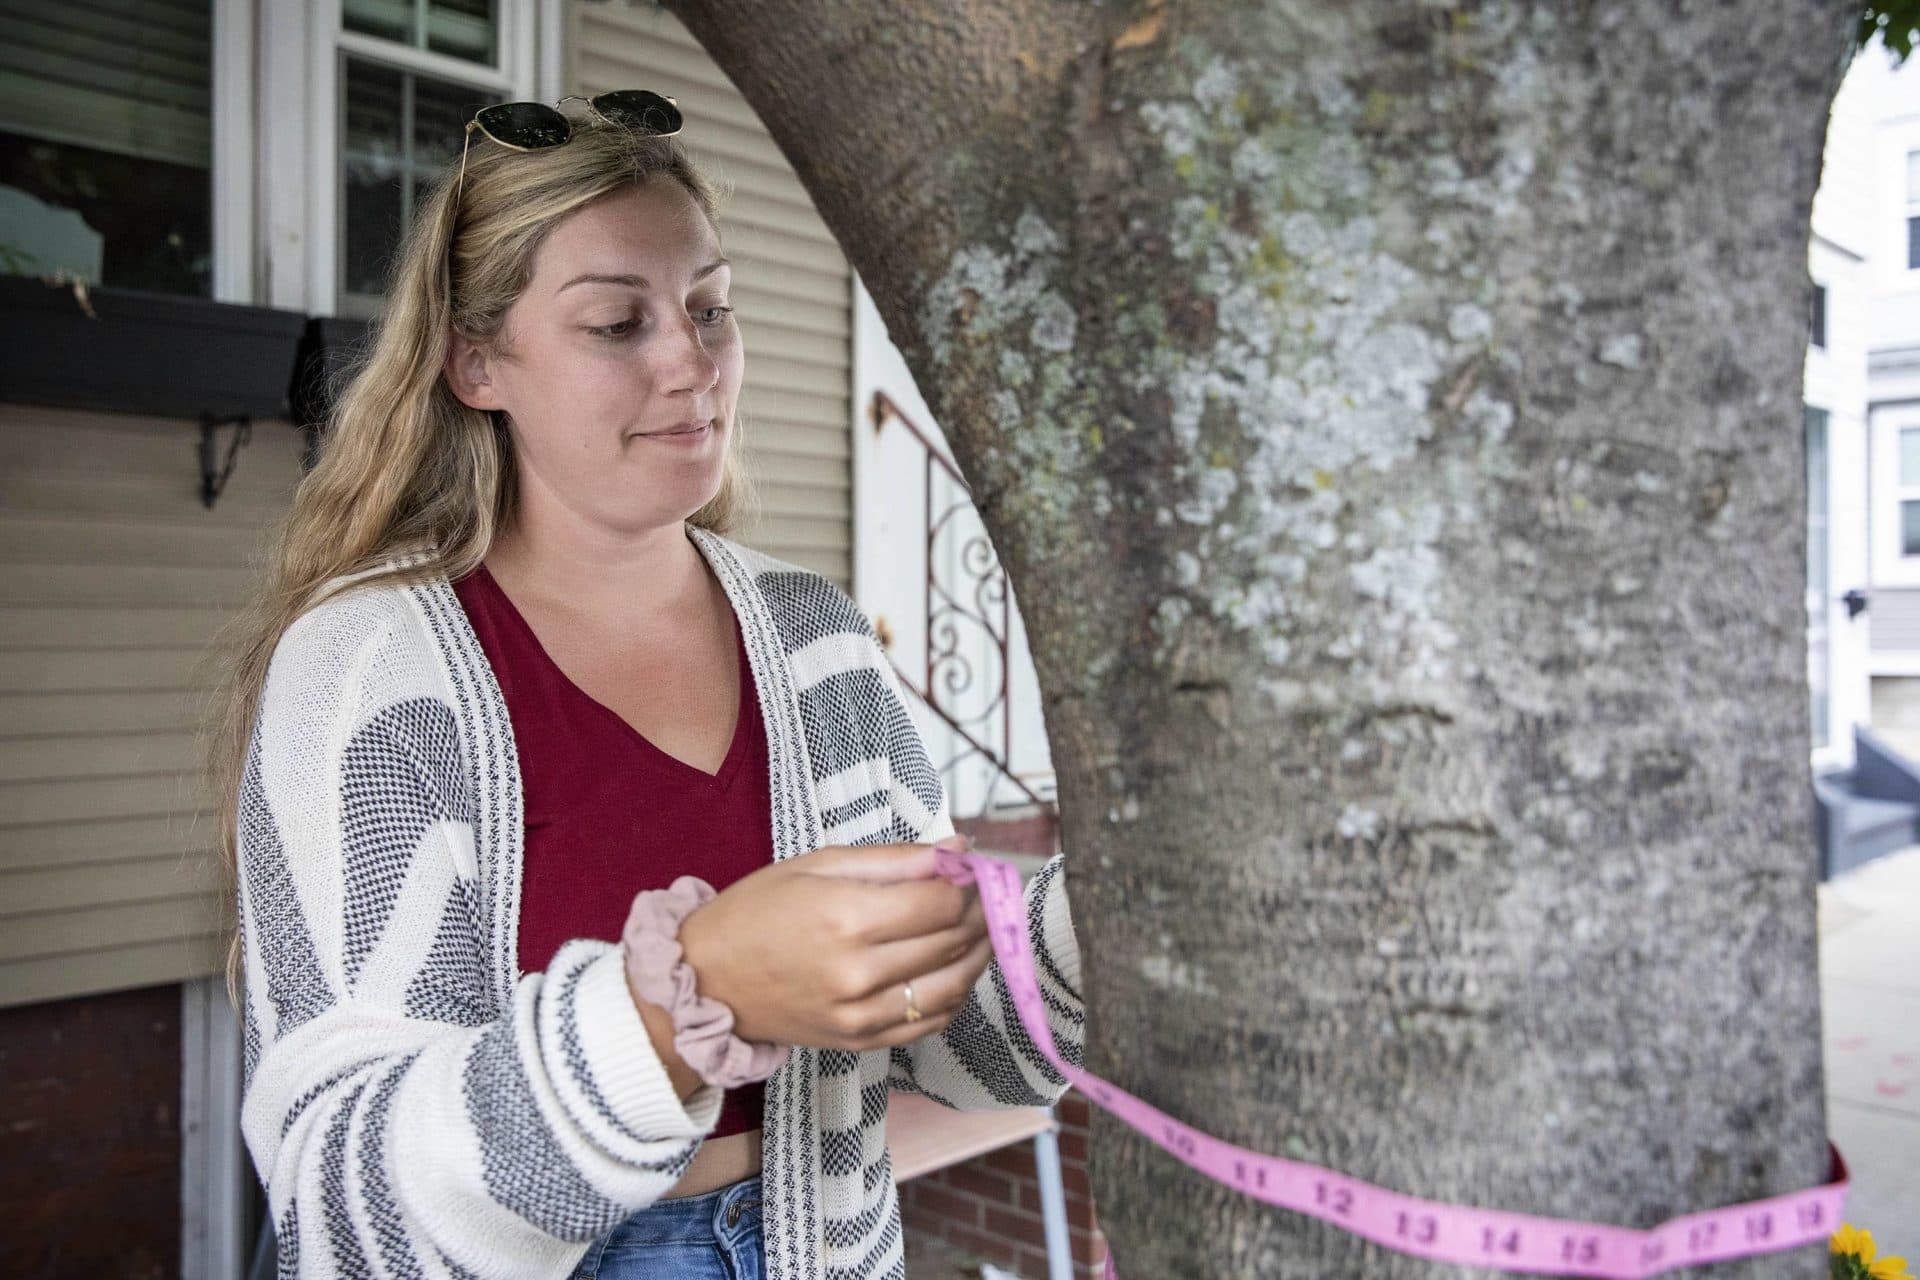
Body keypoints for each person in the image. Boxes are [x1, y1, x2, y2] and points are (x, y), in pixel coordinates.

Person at [201, 91, 1087, 1280]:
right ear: (476, 363)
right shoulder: (371, 668)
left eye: (710, 307)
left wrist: (1111, 917)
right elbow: (352, 1210)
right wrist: (679, 1004)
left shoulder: (817, 638)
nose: (692, 361)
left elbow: (946, 1044)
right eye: (618, 323)